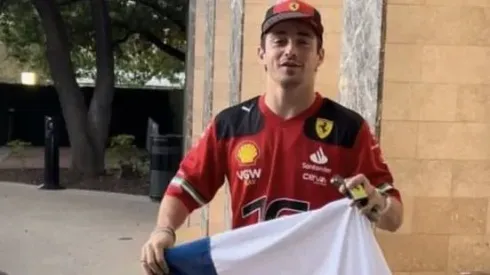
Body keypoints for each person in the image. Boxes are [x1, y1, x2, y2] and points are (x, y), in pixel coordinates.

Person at [140, 0, 404, 274]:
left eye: (303, 42)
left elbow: (394, 218)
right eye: (280, 41)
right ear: (262, 53)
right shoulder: (231, 124)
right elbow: (184, 188)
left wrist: (375, 201)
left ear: (320, 56)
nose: (290, 50)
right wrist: (164, 230)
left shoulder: (348, 128)